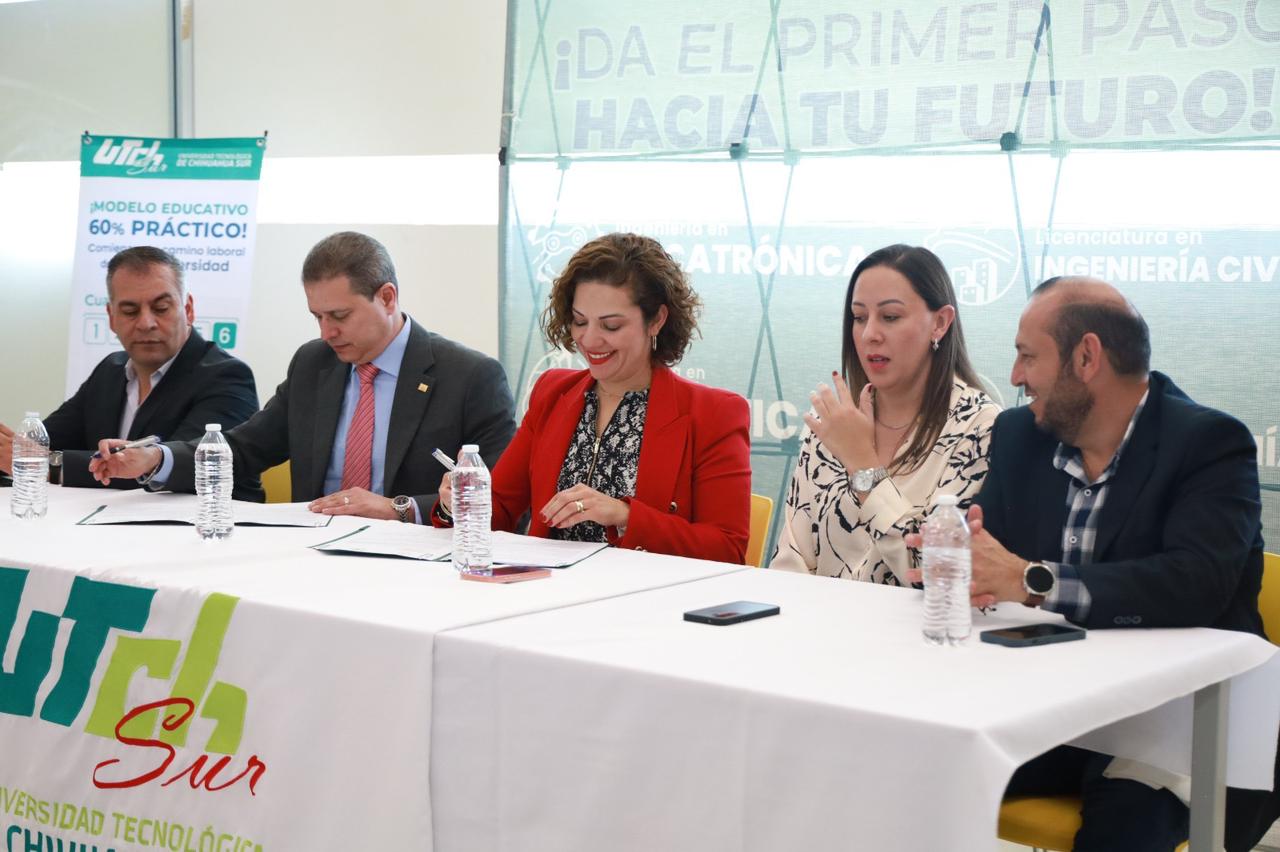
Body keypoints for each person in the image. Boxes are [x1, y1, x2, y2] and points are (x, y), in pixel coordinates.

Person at [915, 276, 1272, 851]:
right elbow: (992, 555)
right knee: (909, 767)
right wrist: (958, 566)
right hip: (1053, 706)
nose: (1015, 377)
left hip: (1178, 715)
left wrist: (1031, 581)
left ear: (1086, 357)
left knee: (1122, 832)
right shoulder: (1019, 436)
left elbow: (1196, 584)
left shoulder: (1208, 443)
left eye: (1028, 356)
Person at [91, 231, 517, 522]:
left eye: (340, 316)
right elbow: (246, 448)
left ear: (387, 298)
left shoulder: (469, 377)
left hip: (416, 566)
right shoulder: (315, 364)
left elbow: (501, 498)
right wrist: (157, 458)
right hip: (310, 557)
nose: (327, 332)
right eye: (317, 316)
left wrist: (398, 509)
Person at [434, 232, 751, 562]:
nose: (589, 339)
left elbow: (727, 549)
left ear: (656, 320)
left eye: (611, 326)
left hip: (649, 590)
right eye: (579, 321)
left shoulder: (714, 413)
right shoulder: (553, 391)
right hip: (546, 586)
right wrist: (458, 502)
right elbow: (499, 508)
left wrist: (625, 516)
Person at [769, 244, 999, 583]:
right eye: (859, 317)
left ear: (940, 323)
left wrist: (863, 467)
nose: (869, 335)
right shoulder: (836, 422)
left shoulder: (980, 427)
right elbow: (790, 564)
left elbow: (938, 574)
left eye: (890, 317)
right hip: (818, 616)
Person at [0, 246, 258, 495]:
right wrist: (13, 454)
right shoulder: (110, 371)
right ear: (112, 317)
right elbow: (42, 445)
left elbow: (180, 469)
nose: (146, 323)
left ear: (188, 309)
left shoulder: (228, 377)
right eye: (130, 311)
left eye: (161, 308)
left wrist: (48, 465)